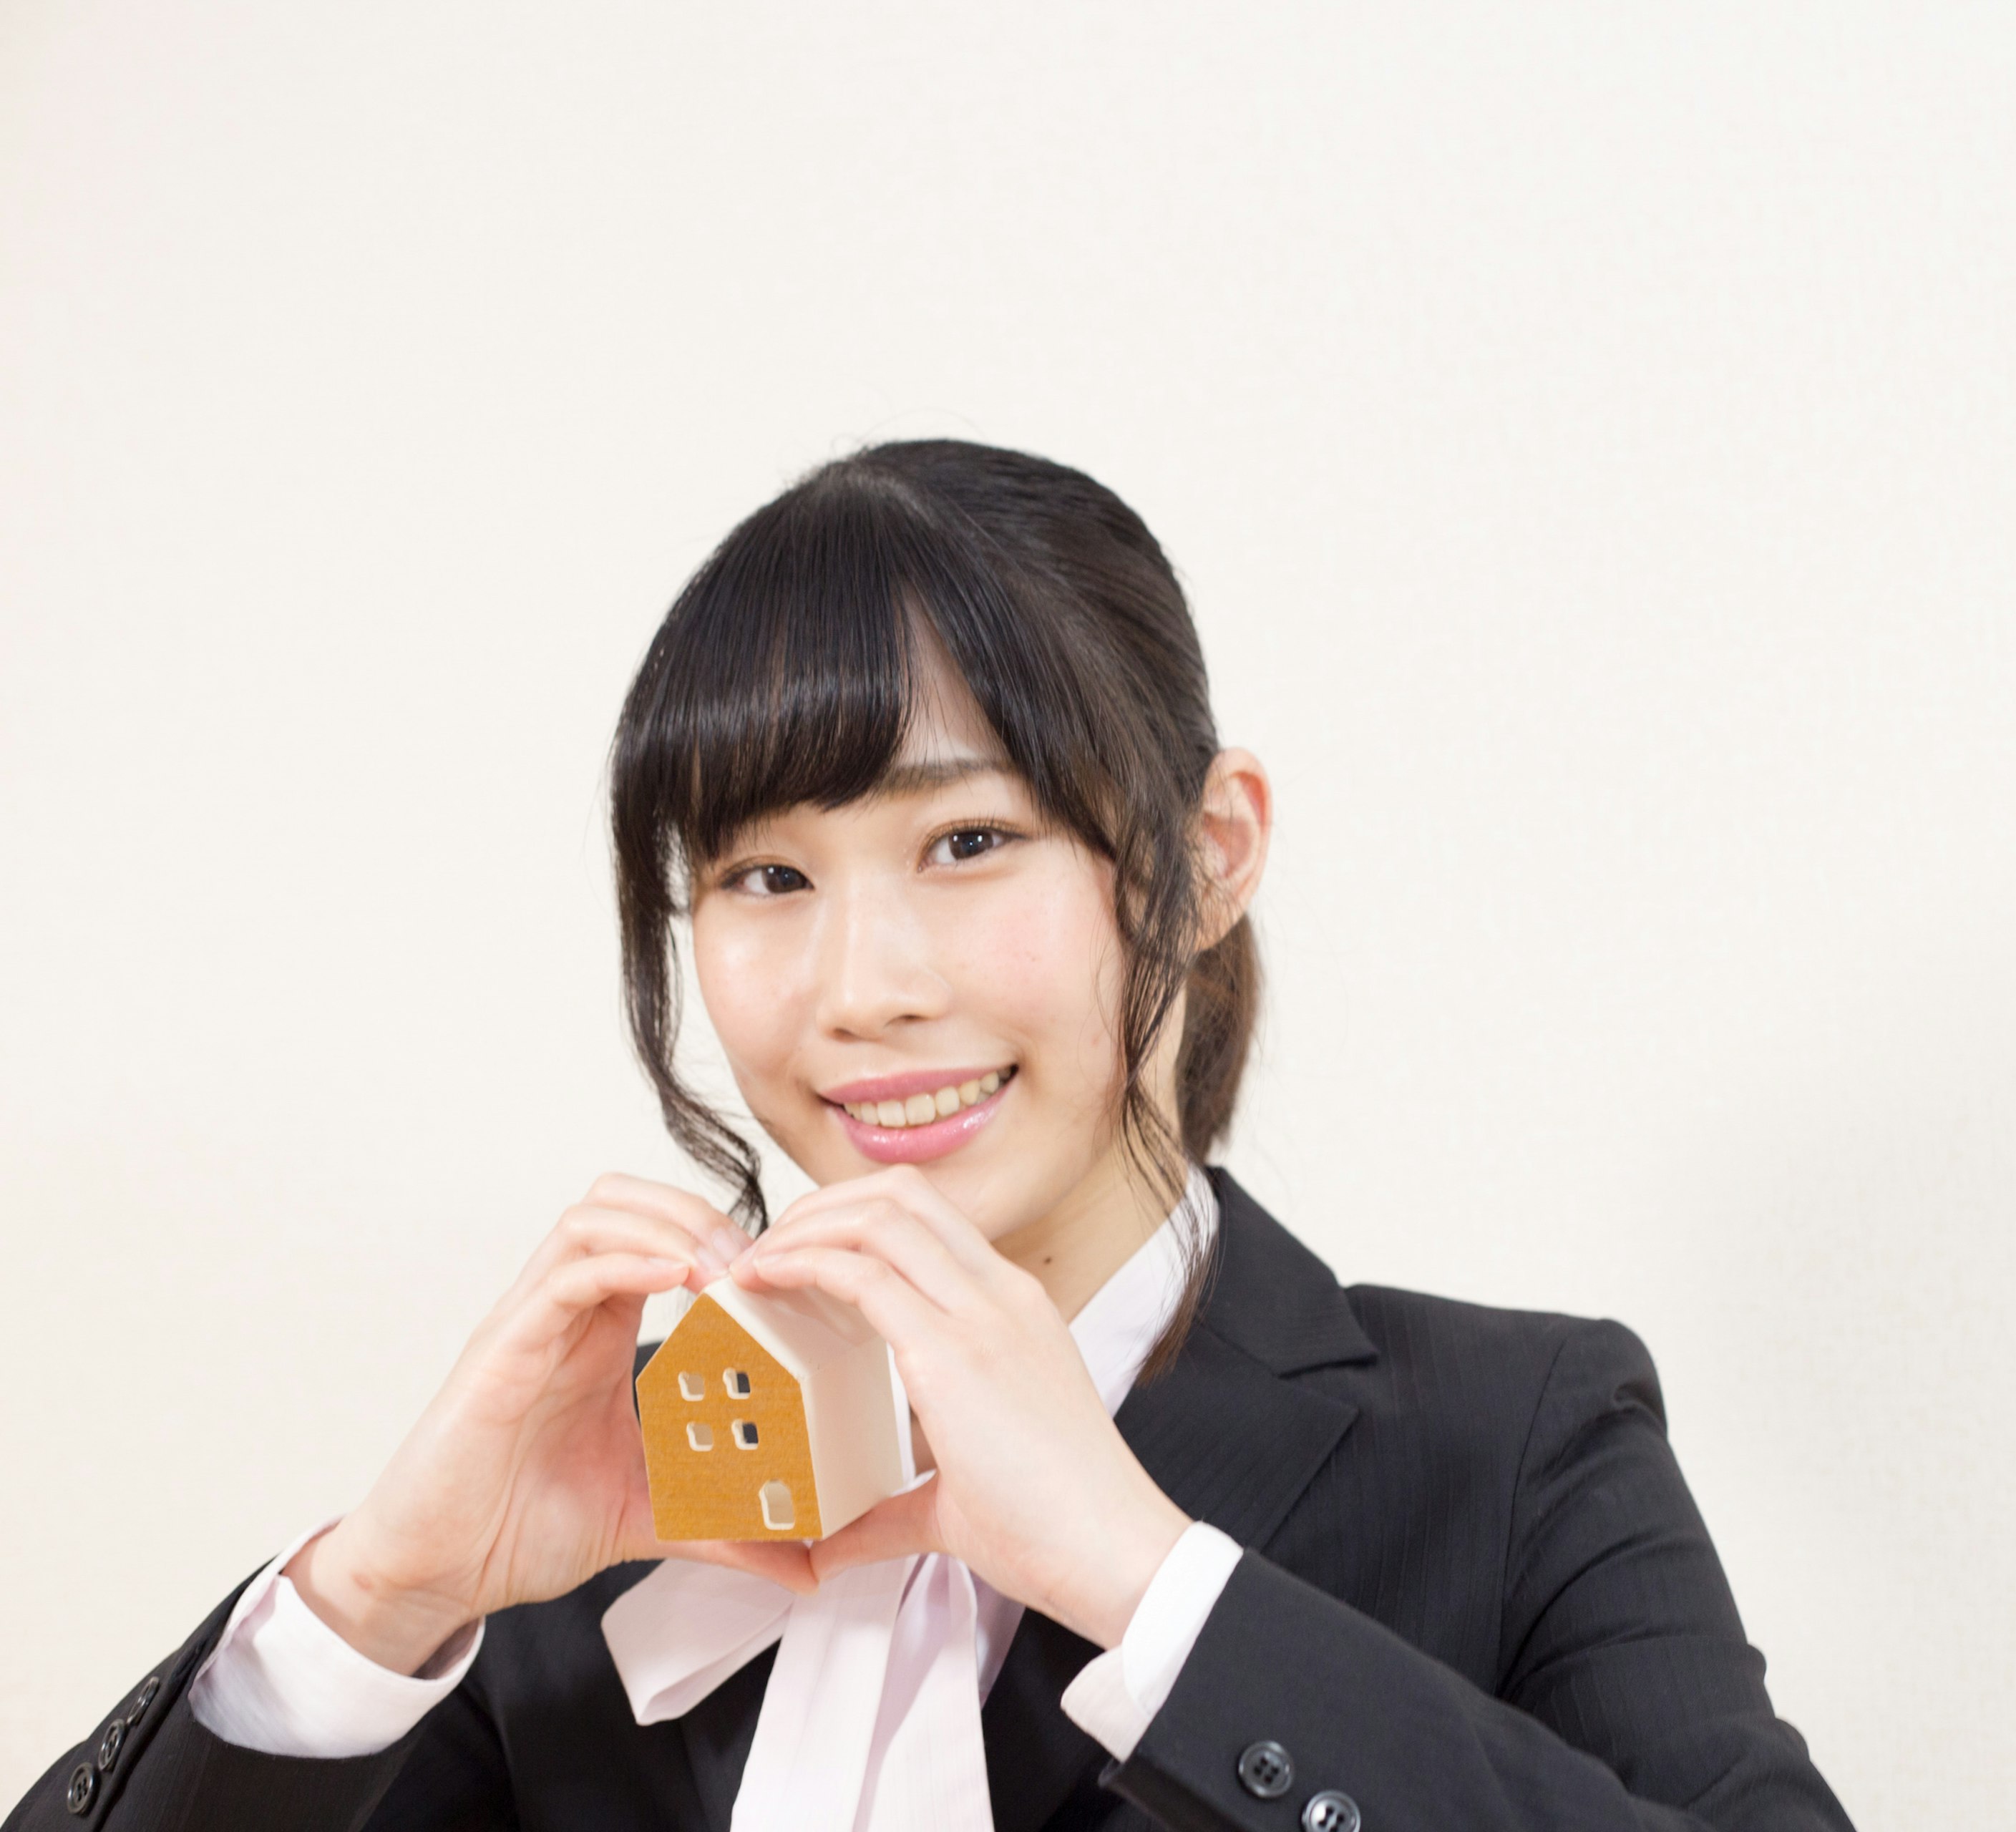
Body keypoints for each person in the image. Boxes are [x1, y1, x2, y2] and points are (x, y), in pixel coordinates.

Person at [8, 442, 1854, 1832]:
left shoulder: (1511, 1439)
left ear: (1204, 858)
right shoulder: (606, 1516)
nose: (859, 987)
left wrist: (1154, 1587)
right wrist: (378, 1594)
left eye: (967, 843)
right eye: (764, 876)